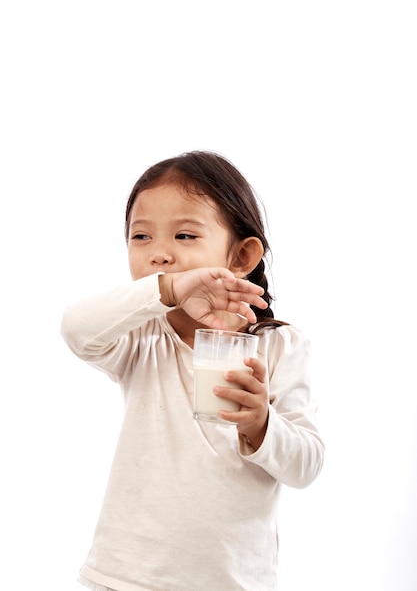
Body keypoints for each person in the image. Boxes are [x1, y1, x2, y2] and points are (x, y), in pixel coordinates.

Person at [61, 150, 324, 591]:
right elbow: (75, 328)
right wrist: (167, 290)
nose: (159, 254)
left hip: (233, 580)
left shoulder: (281, 345)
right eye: (140, 237)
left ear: (242, 255)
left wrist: (262, 423)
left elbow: (307, 465)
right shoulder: (140, 336)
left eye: (184, 236)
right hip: (126, 576)